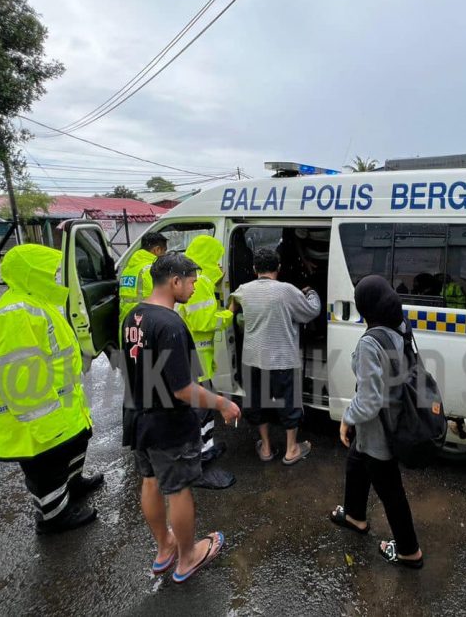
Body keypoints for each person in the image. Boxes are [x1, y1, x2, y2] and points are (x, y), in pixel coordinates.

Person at [122, 252, 241, 583]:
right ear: (175, 281)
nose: (193, 288)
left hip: (139, 417)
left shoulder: (133, 316)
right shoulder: (171, 324)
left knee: (149, 482)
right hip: (168, 423)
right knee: (177, 489)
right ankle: (187, 558)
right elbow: (183, 389)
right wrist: (222, 404)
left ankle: (165, 549)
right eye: (191, 281)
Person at [0, 244, 103, 534]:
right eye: (50, 271)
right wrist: (44, 424)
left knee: (72, 449)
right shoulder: (16, 313)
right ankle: (52, 517)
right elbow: (21, 380)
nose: (56, 276)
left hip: (61, 407)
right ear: (30, 273)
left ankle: (73, 486)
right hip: (40, 416)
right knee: (47, 466)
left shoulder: (37, 302)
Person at [329, 275, 423, 569]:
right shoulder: (401, 326)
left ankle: (409, 552)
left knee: (390, 491)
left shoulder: (371, 342)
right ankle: (355, 516)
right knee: (356, 463)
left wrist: (347, 417)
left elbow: (368, 401)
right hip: (394, 416)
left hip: (379, 429)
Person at [229, 247, 321, 465]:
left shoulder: (243, 290)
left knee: (258, 404)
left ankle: (267, 448)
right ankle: (291, 450)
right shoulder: (287, 290)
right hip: (282, 359)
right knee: (288, 403)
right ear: (278, 268)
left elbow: (231, 309)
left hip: (252, 359)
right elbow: (311, 311)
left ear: (254, 269)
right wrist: (311, 293)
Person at [180, 235, 233, 463]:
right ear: (207, 257)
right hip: (196, 358)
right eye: (216, 258)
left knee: (197, 405)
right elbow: (205, 322)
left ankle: (199, 447)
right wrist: (231, 311)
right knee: (202, 407)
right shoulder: (199, 283)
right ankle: (203, 451)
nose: (220, 264)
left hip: (189, 354)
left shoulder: (187, 278)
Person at [119, 232, 168, 326]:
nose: (165, 255)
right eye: (164, 251)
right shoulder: (152, 270)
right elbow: (164, 298)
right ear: (157, 250)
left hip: (126, 323)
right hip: (145, 324)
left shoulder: (128, 269)